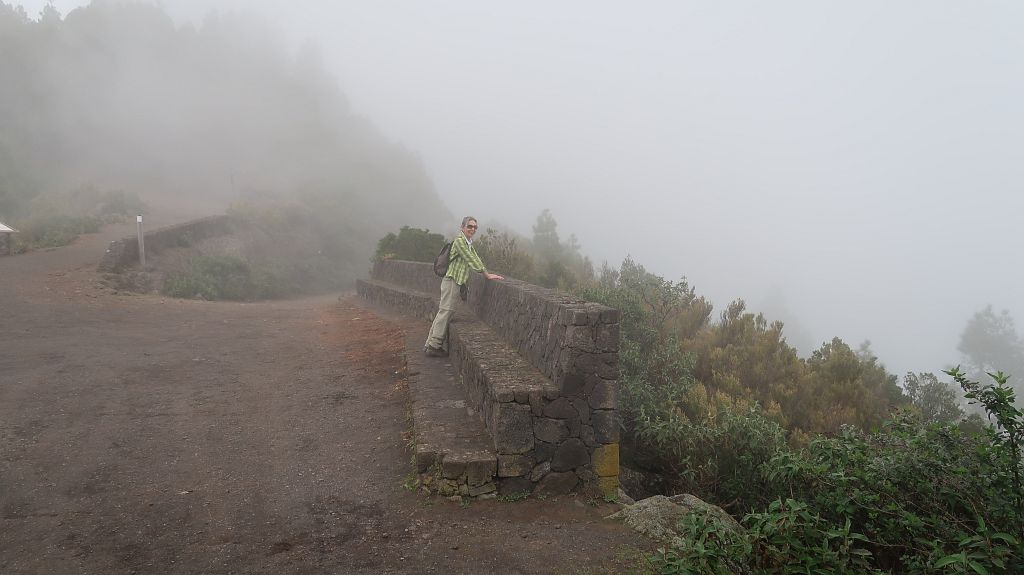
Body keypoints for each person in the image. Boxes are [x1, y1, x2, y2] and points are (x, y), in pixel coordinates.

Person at [424, 216, 504, 356]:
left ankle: (430, 344)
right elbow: (471, 259)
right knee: (446, 311)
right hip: (451, 281)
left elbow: (476, 257)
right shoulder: (460, 241)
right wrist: (486, 274)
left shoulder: (468, 242)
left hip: (454, 282)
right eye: (469, 226)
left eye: (475, 227)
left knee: (444, 311)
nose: (472, 229)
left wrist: (486, 272)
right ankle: (434, 346)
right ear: (462, 227)